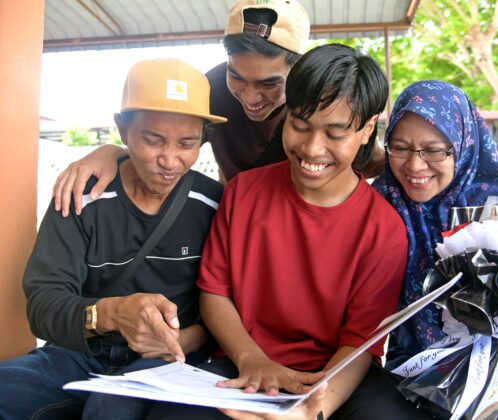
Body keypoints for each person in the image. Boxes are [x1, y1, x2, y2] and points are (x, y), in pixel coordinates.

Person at [144, 43, 421, 420]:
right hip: (243, 361)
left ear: (366, 129)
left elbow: (361, 342)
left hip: (336, 372)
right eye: (300, 126)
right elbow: (215, 293)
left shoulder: (383, 227)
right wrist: (252, 361)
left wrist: (312, 410)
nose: (312, 149)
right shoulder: (242, 193)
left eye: (334, 134)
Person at [0, 58, 226, 419]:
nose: (170, 161)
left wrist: (188, 338)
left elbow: (234, 305)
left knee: (110, 410)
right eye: (152, 139)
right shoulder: (80, 198)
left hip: (168, 360)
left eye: (187, 143)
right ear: (122, 129)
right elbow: (42, 305)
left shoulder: (215, 204)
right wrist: (110, 314)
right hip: (79, 354)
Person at [52, 0, 385, 217]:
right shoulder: (208, 90)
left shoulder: (321, 102)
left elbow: (375, 161)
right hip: (232, 216)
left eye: (268, 83)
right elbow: (161, 140)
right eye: (236, 76)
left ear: (297, 71)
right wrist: (112, 152)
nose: (250, 97)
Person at [372, 80, 498, 370]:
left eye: (434, 150)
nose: (415, 166)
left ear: (463, 144)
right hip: (414, 368)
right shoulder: (381, 203)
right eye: (400, 147)